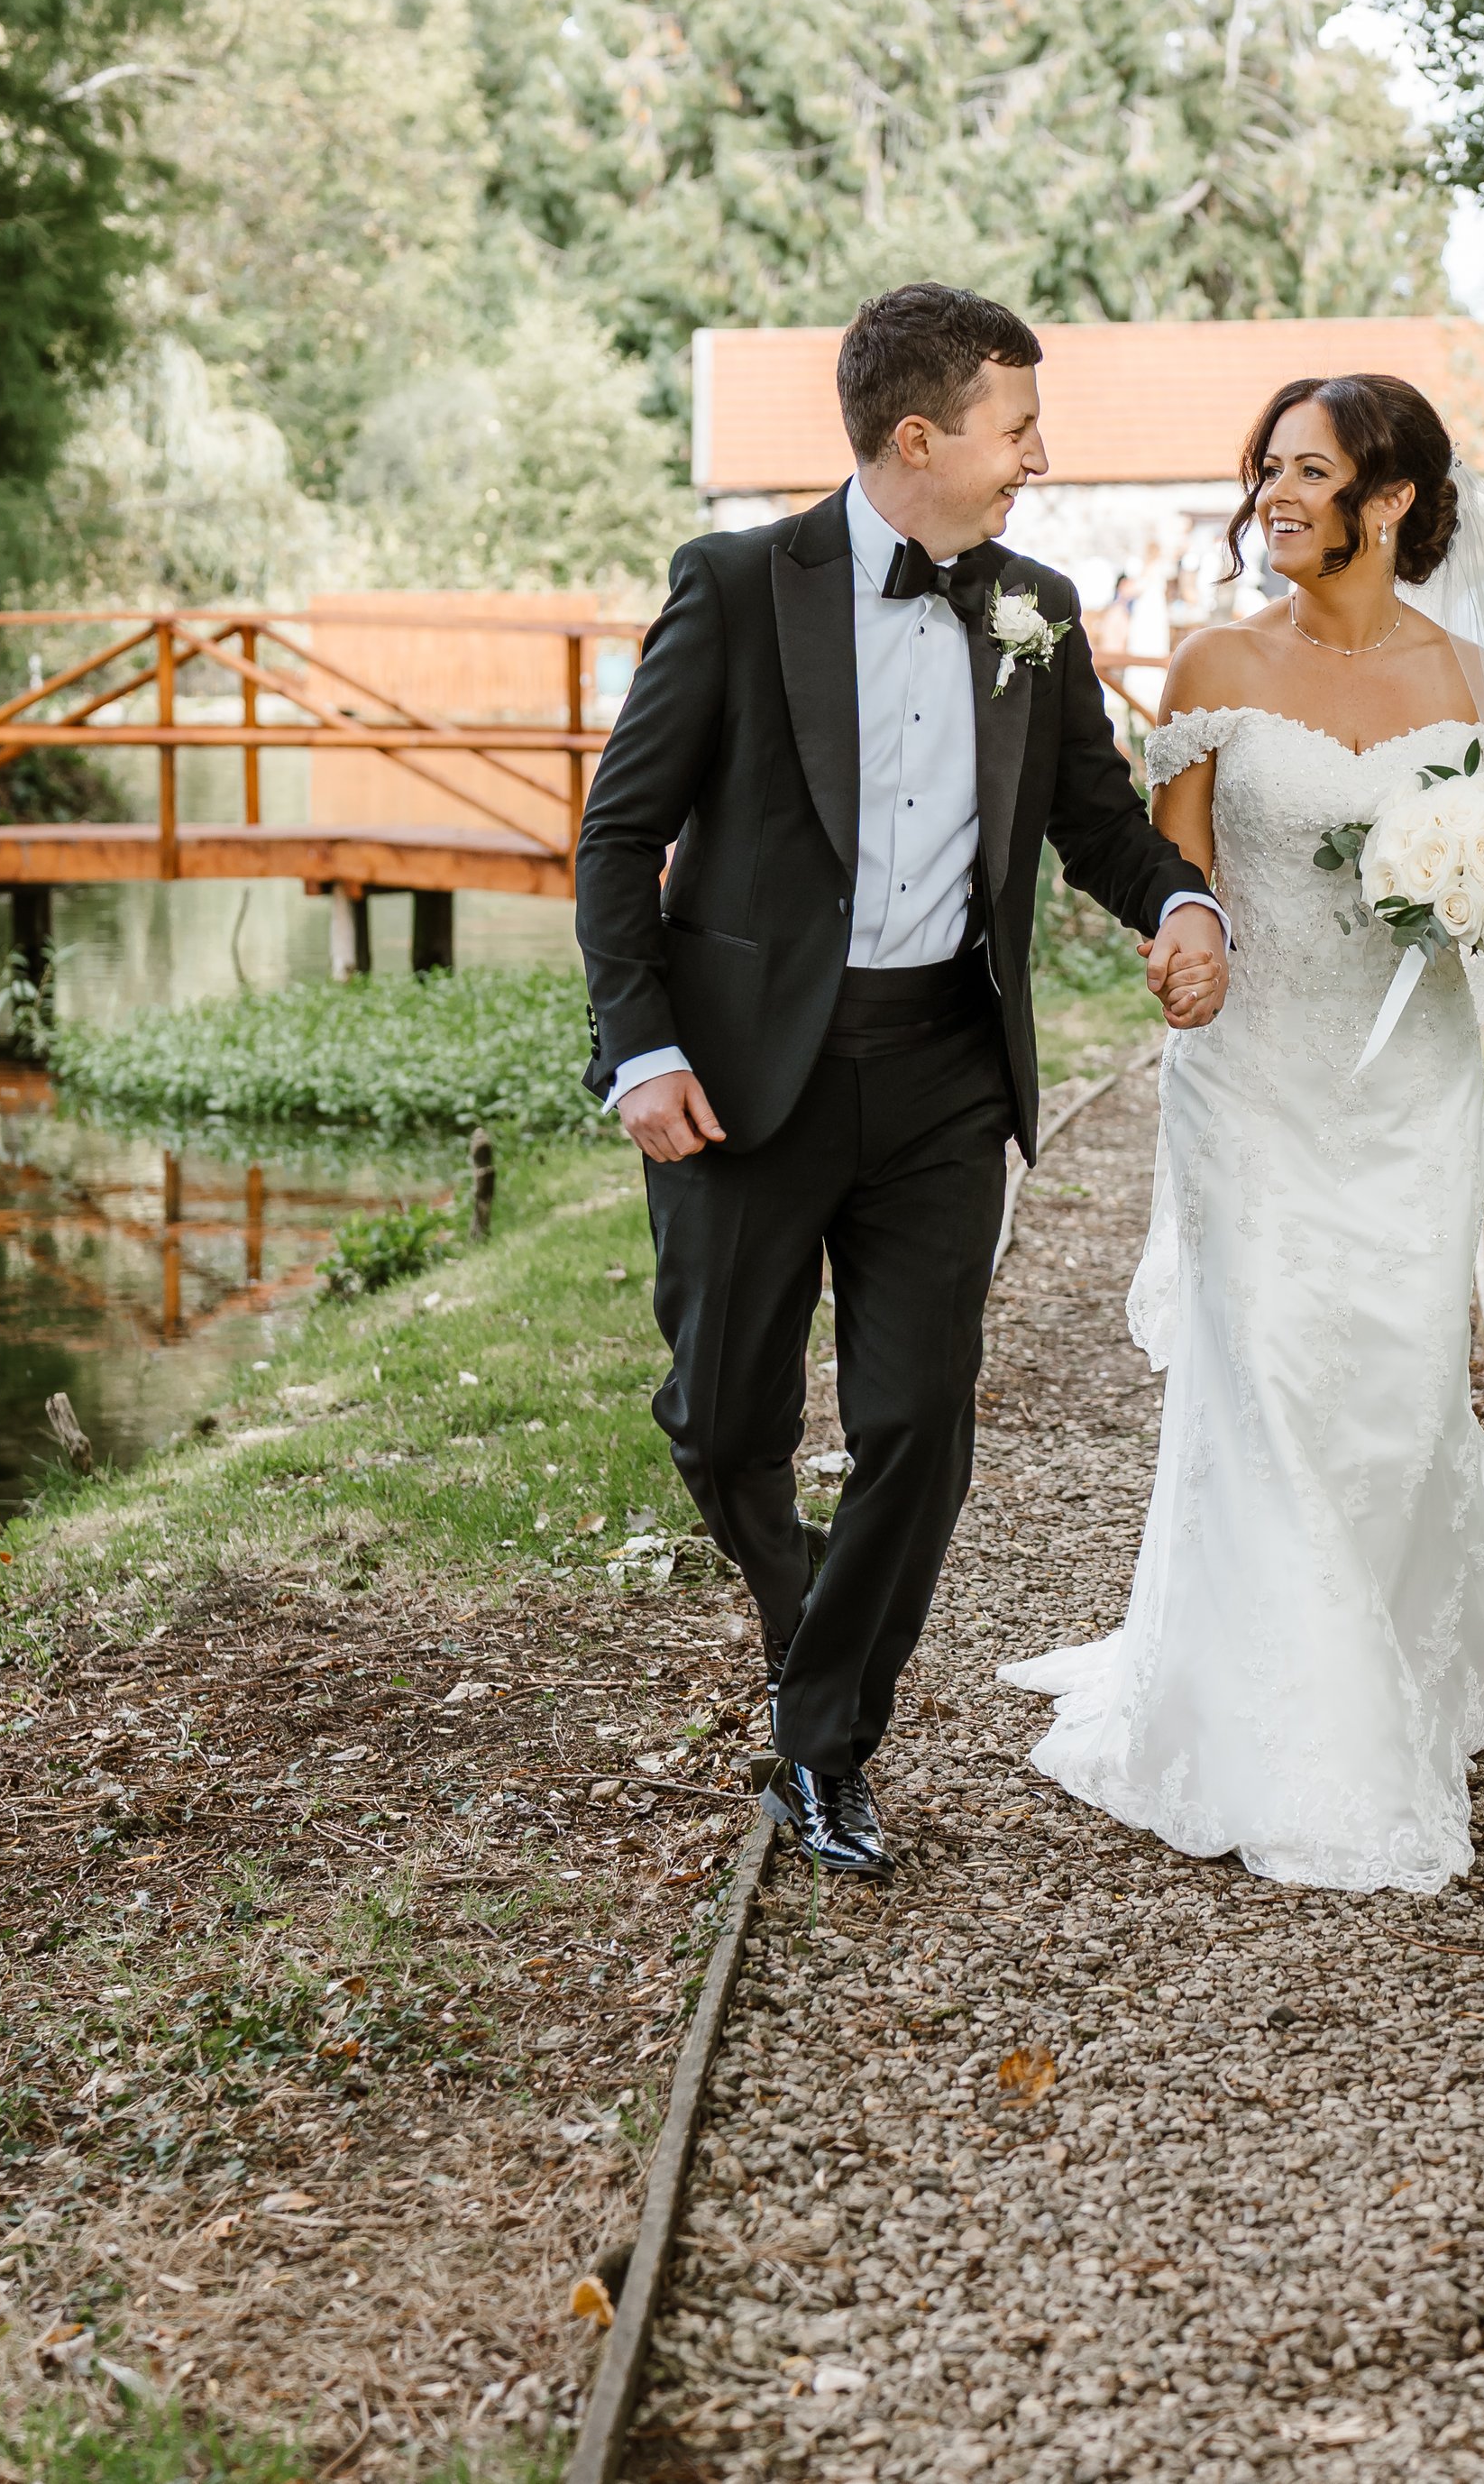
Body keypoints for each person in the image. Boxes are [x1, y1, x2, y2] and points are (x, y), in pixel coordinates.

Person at [573, 285, 1230, 1882]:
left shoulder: (1040, 609)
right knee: (723, 1424)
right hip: (739, 1079)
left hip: (942, 1070)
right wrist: (641, 1047)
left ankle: (825, 1741)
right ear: (919, 436)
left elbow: (1093, 821)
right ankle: (816, 1623)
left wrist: (1186, 903)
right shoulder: (737, 586)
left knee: (921, 1419)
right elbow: (616, 834)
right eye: (1019, 429)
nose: (1040, 460)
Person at [1002, 373, 1484, 1893]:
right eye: (1265, 467)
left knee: (1388, 1380)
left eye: (1307, 472)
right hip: (1250, 1075)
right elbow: (1175, 875)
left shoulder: (1475, 687)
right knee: (1262, 1365)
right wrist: (1179, 946)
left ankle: (1397, 1645)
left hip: (1407, 1091)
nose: (1271, 493)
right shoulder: (1214, 661)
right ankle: (1315, 1736)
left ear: (1387, 500)